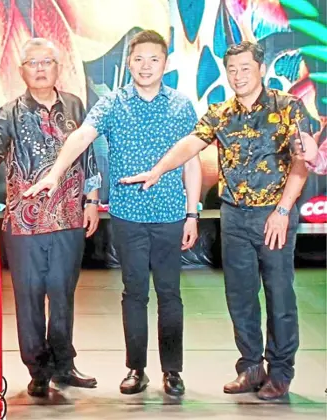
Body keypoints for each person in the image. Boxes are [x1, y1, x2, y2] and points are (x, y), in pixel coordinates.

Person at [120, 41, 310, 401]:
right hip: (233, 215)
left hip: (274, 215)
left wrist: (283, 211)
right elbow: (190, 143)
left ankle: (281, 372)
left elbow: (301, 162)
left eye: (245, 69)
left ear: (261, 69)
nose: (238, 76)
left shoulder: (288, 107)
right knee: (240, 297)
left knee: (280, 296)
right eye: (232, 70)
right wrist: (158, 170)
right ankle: (251, 367)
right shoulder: (220, 112)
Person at [24, 30, 202, 396]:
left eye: (154, 59)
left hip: (170, 213)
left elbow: (192, 162)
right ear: (130, 63)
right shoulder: (113, 103)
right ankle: (136, 368)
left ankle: (173, 371)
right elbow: (81, 137)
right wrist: (54, 175)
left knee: (170, 294)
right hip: (127, 215)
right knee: (134, 292)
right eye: (139, 59)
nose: (146, 66)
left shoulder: (182, 105)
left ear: (165, 63)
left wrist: (192, 214)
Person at [0, 38, 101, 398]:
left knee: (62, 294)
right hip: (24, 225)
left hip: (70, 216)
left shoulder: (74, 105)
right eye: (32, 63)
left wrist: (92, 198)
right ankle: (37, 369)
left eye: (47, 62)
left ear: (58, 67)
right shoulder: (8, 112)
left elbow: (86, 155)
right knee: (29, 297)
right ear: (21, 70)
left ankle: (64, 364)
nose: (40, 68)